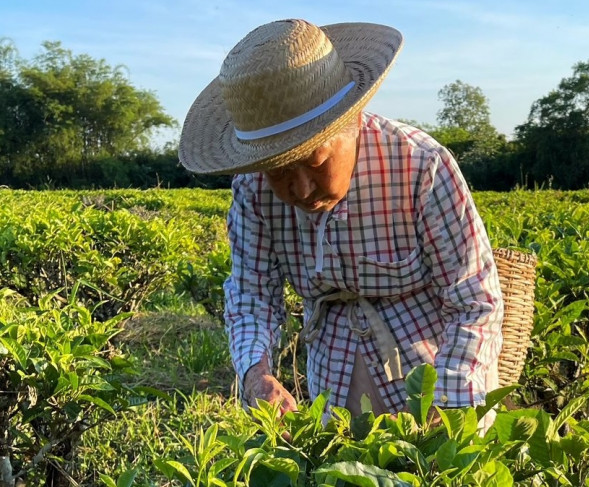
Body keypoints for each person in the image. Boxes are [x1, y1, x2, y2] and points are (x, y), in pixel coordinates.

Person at [178, 19, 503, 422]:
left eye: (315, 161)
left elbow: (474, 301)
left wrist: (447, 406)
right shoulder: (251, 191)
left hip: (436, 372)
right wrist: (255, 373)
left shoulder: (420, 165)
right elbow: (252, 296)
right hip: (333, 373)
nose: (299, 188)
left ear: (352, 124)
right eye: (277, 171)